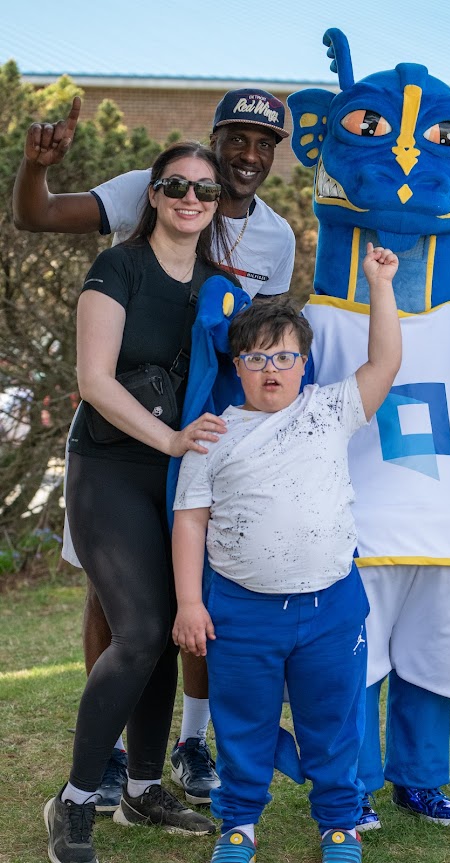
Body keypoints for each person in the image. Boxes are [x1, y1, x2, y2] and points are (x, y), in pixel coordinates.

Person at [13, 87, 296, 808]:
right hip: (115, 449)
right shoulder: (134, 236)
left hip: (194, 460)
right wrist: (34, 169)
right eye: (237, 138)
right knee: (122, 611)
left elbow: (261, 355)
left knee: (177, 614)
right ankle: (95, 773)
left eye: (265, 144)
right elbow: (39, 216)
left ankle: (160, 768)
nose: (248, 156)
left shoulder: (257, 252)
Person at [171, 242, 402, 863]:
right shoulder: (211, 435)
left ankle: (340, 823)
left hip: (331, 605)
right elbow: (190, 522)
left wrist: (381, 285)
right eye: (256, 357)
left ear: (304, 362)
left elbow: (383, 362)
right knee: (242, 720)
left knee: (333, 722)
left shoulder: (329, 410)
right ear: (237, 364)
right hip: (241, 611)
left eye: (285, 356)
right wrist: (190, 603)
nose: (271, 368)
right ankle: (238, 823)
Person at [44, 141, 238, 863]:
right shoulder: (117, 268)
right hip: (111, 467)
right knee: (140, 629)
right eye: (176, 185)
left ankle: (145, 789)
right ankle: (74, 801)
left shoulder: (221, 286)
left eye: (205, 190)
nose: (191, 198)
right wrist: (170, 439)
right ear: (153, 194)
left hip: (182, 475)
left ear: (218, 203)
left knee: (168, 634)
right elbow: (96, 380)